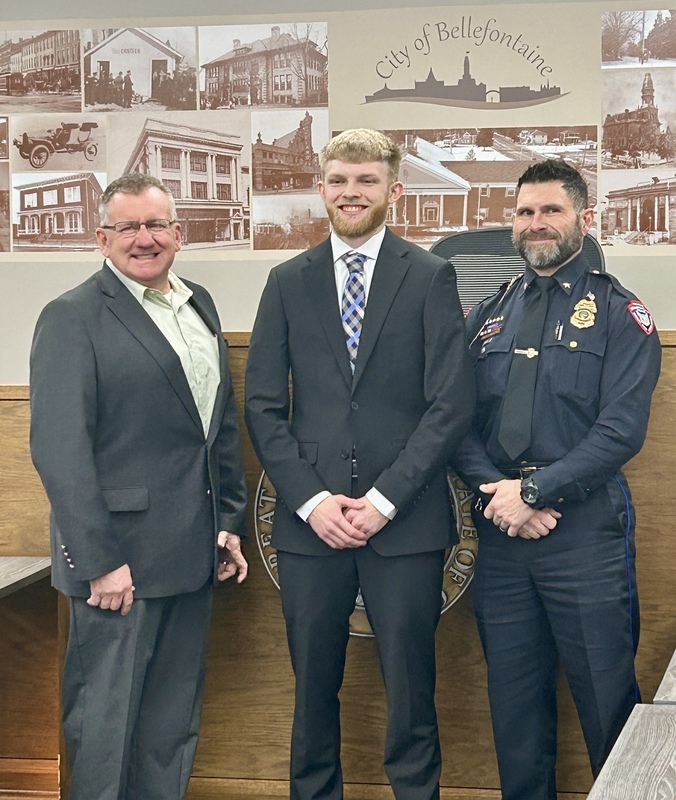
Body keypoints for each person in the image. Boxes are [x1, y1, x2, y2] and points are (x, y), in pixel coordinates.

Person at [245, 129, 474, 800]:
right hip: (309, 529)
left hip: (404, 529)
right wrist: (314, 503)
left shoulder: (431, 276)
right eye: (339, 180)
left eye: (367, 181)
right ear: (321, 189)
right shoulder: (286, 281)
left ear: (393, 190)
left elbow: (450, 405)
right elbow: (262, 406)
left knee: (412, 694)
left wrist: (382, 501)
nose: (352, 192)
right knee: (312, 692)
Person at [29, 173, 248, 800]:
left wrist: (226, 521)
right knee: (104, 731)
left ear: (179, 233)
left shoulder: (197, 302)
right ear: (102, 238)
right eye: (128, 227)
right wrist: (99, 562)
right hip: (117, 569)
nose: (144, 239)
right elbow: (59, 451)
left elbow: (215, 424)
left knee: (168, 730)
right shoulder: (72, 316)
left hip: (193, 554)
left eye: (157, 225)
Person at [451, 159, 662, 800]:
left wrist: (535, 493)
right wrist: (500, 493)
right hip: (503, 535)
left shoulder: (621, 313)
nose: (536, 223)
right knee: (514, 712)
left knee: (606, 703)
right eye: (524, 212)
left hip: (584, 533)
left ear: (584, 219)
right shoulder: (488, 315)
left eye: (551, 210)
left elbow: (620, 431)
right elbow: (455, 423)